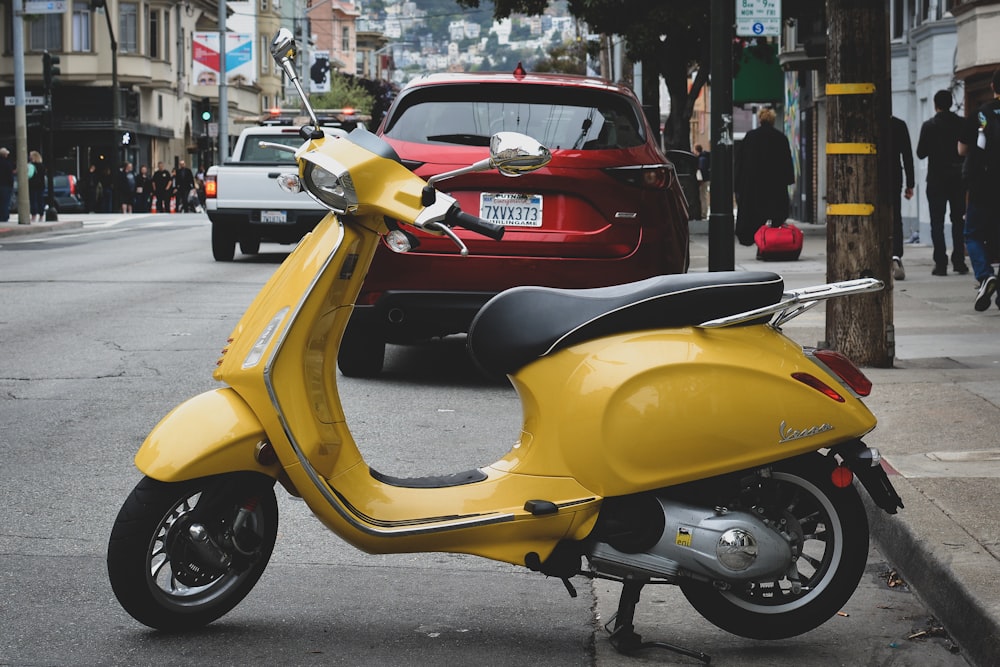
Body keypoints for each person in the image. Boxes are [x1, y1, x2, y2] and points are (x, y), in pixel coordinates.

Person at [959, 68, 1000, 312]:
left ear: (993, 88)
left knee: (972, 234)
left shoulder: (980, 114)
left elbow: (962, 150)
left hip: (984, 186)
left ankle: (985, 276)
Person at [916, 90, 969, 276]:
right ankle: (959, 261)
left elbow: (920, 152)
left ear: (935, 105)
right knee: (958, 220)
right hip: (957, 178)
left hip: (937, 179)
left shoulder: (929, 126)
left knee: (936, 222)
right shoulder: (962, 123)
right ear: (951, 103)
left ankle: (940, 263)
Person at [735, 107, 795, 246]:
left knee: (754, 216)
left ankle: (758, 240)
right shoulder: (781, 138)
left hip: (753, 186)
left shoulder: (750, 137)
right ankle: (771, 241)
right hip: (775, 186)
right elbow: (786, 162)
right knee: (775, 216)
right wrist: (788, 180)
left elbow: (740, 162)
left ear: (760, 120)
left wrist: (738, 184)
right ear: (773, 120)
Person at [890, 116, 916, 280]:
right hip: (893, 175)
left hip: (870, 176)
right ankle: (896, 256)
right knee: (895, 216)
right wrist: (910, 184)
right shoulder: (898, 125)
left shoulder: (868, 123)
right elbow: (907, 155)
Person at [27, 150, 45, 223]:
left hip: (33, 185)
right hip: (41, 185)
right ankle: (41, 216)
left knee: (33, 201)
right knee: (40, 201)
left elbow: (29, 175)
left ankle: (33, 216)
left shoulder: (31, 165)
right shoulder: (42, 166)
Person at [695, 143, 710, 220]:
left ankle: (704, 213)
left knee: (703, 197)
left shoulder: (701, 159)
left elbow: (701, 170)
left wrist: (700, 180)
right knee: (704, 196)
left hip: (703, 180)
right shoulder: (704, 157)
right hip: (706, 179)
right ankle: (704, 212)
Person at [0, 147, 13, 222]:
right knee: (5, 202)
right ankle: (4, 217)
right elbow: (9, 175)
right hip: (6, 185)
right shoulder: (7, 163)